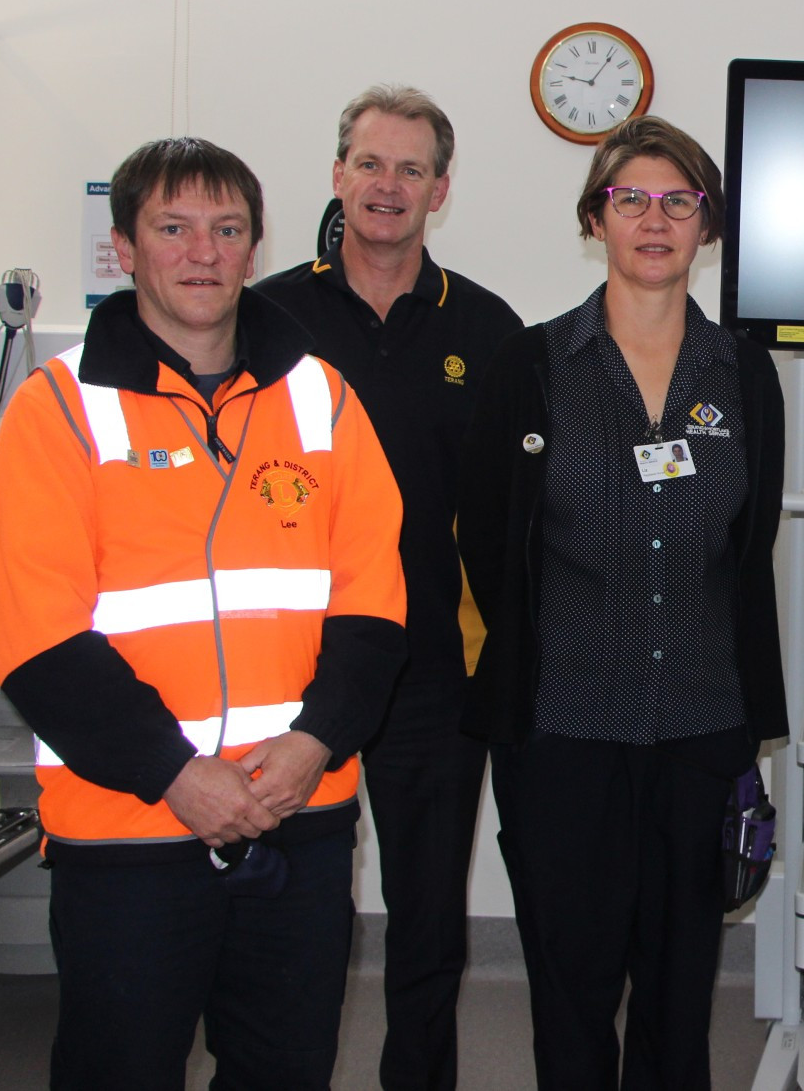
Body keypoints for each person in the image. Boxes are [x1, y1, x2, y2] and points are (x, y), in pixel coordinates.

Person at [0, 137, 408, 1090]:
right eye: (173, 228)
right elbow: (36, 637)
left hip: (300, 815)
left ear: (256, 247)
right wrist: (175, 773)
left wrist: (313, 744)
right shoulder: (61, 410)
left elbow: (374, 604)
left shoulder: (320, 398)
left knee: (285, 1067)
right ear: (127, 247)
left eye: (227, 229)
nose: (202, 252)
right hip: (127, 826)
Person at [458, 116, 787, 1090]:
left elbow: (747, 543)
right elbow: (486, 545)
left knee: (682, 993)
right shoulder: (529, 367)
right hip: (561, 730)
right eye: (630, 198)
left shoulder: (744, 375)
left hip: (699, 726)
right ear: (593, 218)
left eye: (678, 201)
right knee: (569, 988)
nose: (655, 219)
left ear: (706, 225)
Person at [254, 85, 522, 1091]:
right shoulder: (266, 316)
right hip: (294, 674)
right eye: (370, 163)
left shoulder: (488, 329)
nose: (388, 185)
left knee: (426, 925)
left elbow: (507, 517)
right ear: (336, 175)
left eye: (411, 169)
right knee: (294, 917)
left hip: (432, 676)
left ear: (440, 190)